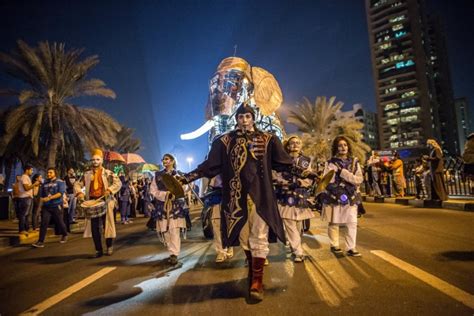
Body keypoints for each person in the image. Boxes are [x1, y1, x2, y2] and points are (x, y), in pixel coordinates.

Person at [179, 104, 294, 302]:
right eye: (240, 117)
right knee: (243, 239)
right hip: (235, 198)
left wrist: (307, 173)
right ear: (236, 119)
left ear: (253, 117)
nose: (244, 120)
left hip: (261, 197)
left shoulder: (268, 139)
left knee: (259, 236)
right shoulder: (224, 141)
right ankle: (252, 271)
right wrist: (186, 178)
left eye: (247, 116)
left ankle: (257, 281)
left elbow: (285, 163)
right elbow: (210, 166)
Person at [273, 135, 315, 263]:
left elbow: (309, 178)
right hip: (285, 195)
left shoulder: (306, 161)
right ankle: (298, 252)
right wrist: (284, 183)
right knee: (289, 223)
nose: (295, 145)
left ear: (301, 146)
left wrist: (301, 183)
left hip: (300, 195)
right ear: (287, 145)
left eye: (297, 143)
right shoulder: (281, 160)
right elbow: (275, 175)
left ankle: (294, 246)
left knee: (298, 226)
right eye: (292, 143)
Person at [321, 136, 363, 257]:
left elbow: (359, 179)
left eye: (345, 145)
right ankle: (334, 245)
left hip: (351, 196)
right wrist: (338, 192)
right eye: (340, 145)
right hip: (335, 196)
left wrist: (344, 173)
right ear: (336, 148)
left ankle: (351, 248)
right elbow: (327, 181)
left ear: (348, 146)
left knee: (352, 222)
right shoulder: (330, 163)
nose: (343, 147)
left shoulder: (354, 162)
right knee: (334, 221)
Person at [74, 149, 121, 257]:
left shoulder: (108, 173)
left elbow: (118, 183)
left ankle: (109, 246)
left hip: (106, 201)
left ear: (102, 161)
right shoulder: (86, 174)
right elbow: (77, 184)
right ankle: (98, 250)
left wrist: (110, 190)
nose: (95, 161)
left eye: (97, 159)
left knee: (107, 225)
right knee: (94, 227)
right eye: (93, 159)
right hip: (92, 202)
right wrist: (79, 193)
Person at [150, 153, 189, 265]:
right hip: (162, 205)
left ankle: (174, 254)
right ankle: (170, 252)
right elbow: (153, 190)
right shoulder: (157, 175)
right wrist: (165, 195)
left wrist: (177, 192)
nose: (164, 161)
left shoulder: (178, 174)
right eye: (163, 159)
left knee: (174, 230)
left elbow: (185, 188)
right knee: (165, 230)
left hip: (175, 205)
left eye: (167, 159)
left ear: (172, 161)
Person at [32, 168, 68, 248]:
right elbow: (41, 196)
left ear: (55, 173)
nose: (48, 174)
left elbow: (60, 193)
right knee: (44, 224)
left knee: (59, 222)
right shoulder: (44, 183)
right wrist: (40, 205)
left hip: (56, 205)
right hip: (46, 207)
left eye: (50, 172)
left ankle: (64, 234)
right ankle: (40, 241)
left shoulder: (60, 182)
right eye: (48, 173)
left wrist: (50, 198)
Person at [16, 165, 40, 235]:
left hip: (28, 197)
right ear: (27, 170)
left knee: (27, 215)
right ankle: (22, 229)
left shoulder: (26, 177)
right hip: (24, 198)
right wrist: (34, 184)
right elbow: (26, 188)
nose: (32, 172)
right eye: (31, 170)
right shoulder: (24, 177)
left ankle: (27, 229)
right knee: (23, 214)